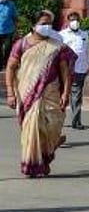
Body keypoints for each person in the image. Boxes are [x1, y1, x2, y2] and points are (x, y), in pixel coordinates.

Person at [4, 10, 74, 177]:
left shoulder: (57, 46)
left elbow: (65, 72)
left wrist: (66, 93)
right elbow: (11, 68)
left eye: (49, 24)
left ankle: (49, 149)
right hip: (27, 94)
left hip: (51, 93)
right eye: (43, 24)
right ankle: (33, 165)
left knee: (53, 127)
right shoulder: (21, 44)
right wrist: (10, 92)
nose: (47, 27)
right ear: (33, 25)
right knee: (32, 129)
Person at [59, 12, 89, 130]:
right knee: (62, 95)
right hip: (65, 70)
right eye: (72, 19)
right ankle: (57, 119)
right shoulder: (62, 35)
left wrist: (88, 64)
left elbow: (87, 50)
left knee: (76, 96)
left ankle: (76, 121)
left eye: (77, 19)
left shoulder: (84, 34)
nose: (75, 22)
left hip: (80, 68)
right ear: (68, 21)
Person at [0, 0, 18, 69]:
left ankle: (6, 63)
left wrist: (16, 30)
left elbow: (15, 18)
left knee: (8, 48)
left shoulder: (11, 4)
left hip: (9, 31)